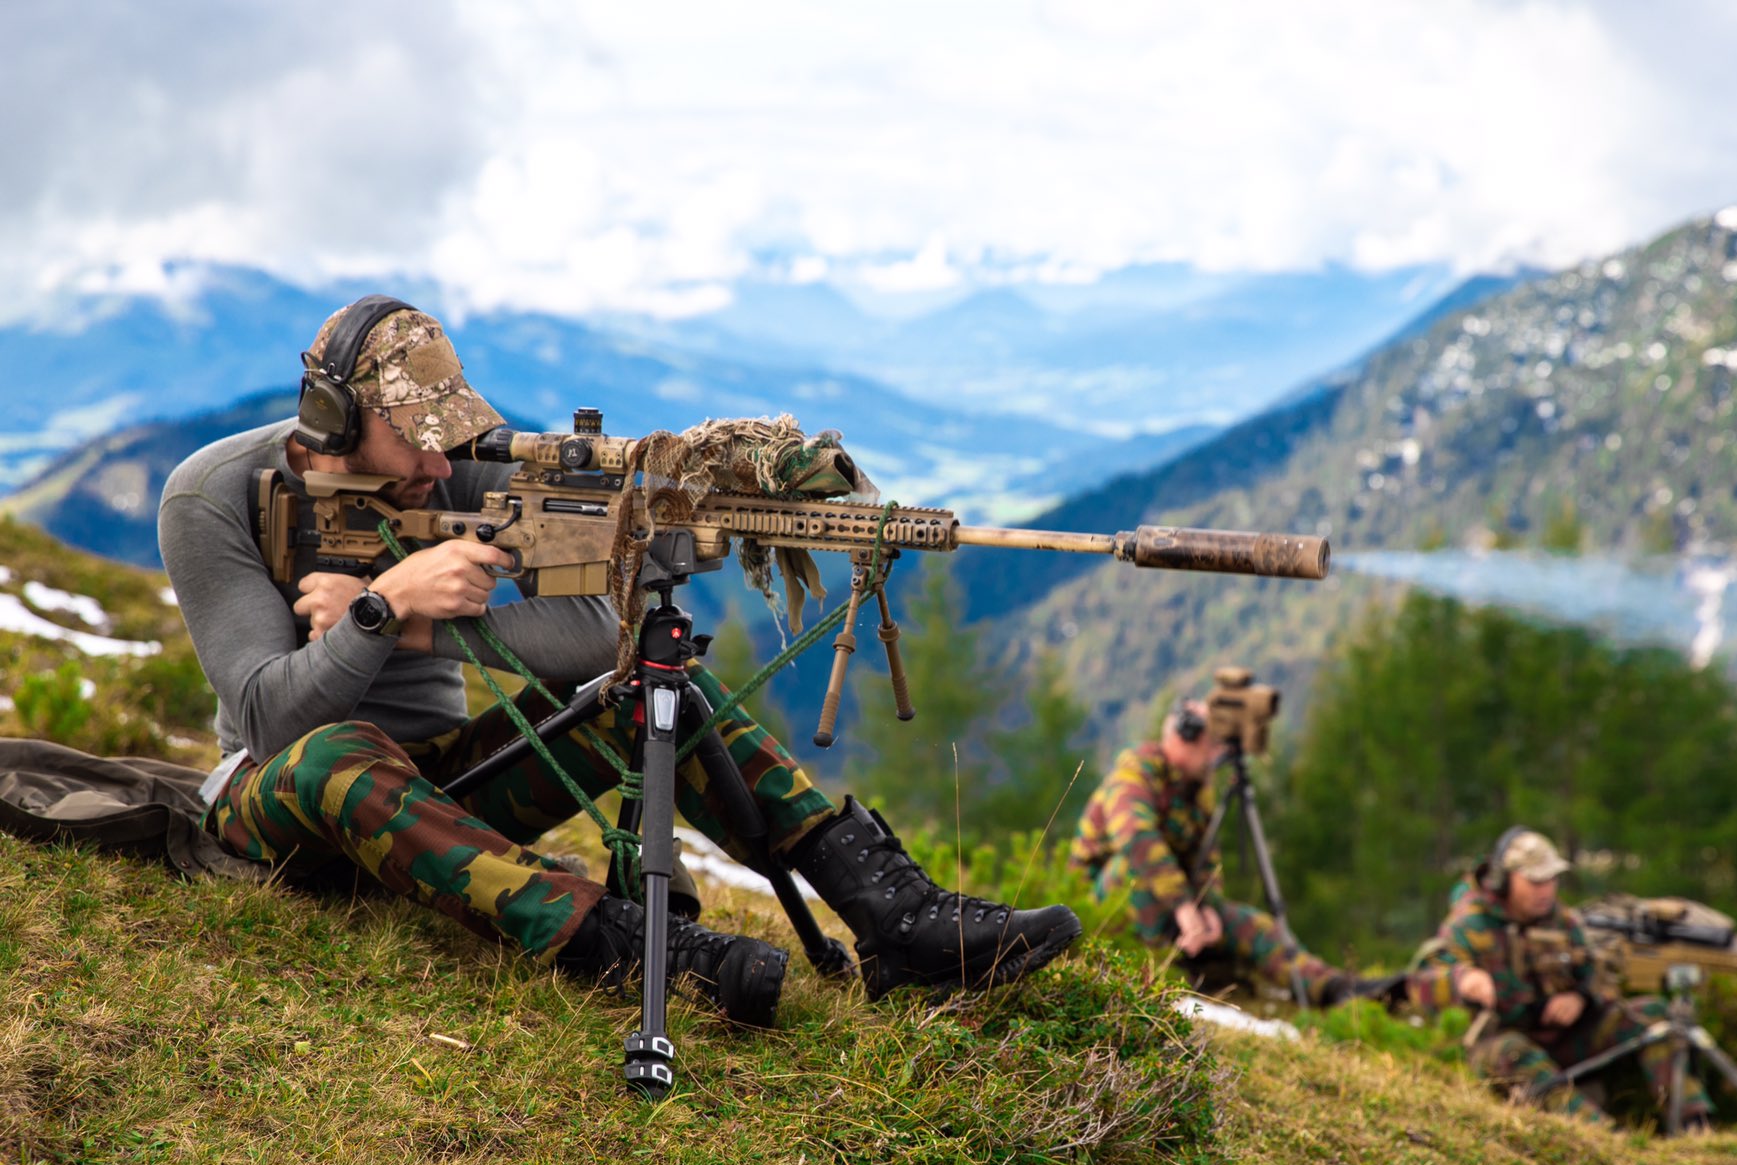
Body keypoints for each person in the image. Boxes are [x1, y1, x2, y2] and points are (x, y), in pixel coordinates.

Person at [157, 294, 1081, 1028]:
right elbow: (276, 723)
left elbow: (607, 634)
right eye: (416, 436)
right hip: (282, 807)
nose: (443, 466)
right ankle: (630, 951)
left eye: (450, 435)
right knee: (336, 755)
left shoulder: (454, 465)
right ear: (331, 416)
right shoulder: (212, 496)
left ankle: (894, 916)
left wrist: (418, 630)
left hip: (446, 790)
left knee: (657, 684)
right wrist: (382, 603)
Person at [1068, 697, 1379, 1007]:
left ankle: (1334, 988)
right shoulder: (1136, 771)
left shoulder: (1197, 789)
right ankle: (1141, 977)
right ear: (1184, 737)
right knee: (1131, 869)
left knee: (1253, 927)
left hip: (1172, 907)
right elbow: (1136, 839)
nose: (1218, 756)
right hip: (1098, 908)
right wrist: (1183, 905)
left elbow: (1207, 861)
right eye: (1212, 743)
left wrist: (1208, 909)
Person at [1405, 827, 1711, 1130]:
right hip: (1498, 1047)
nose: (1546, 890)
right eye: (1535, 881)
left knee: (1654, 1017)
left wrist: (1579, 997)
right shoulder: (1470, 922)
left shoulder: (1563, 921)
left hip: (1562, 1040)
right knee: (1513, 1050)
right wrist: (1463, 979)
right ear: (1504, 879)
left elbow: (1599, 973)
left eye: (1551, 879)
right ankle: (1600, 1135)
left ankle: (1694, 1124)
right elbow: (1421, 981)